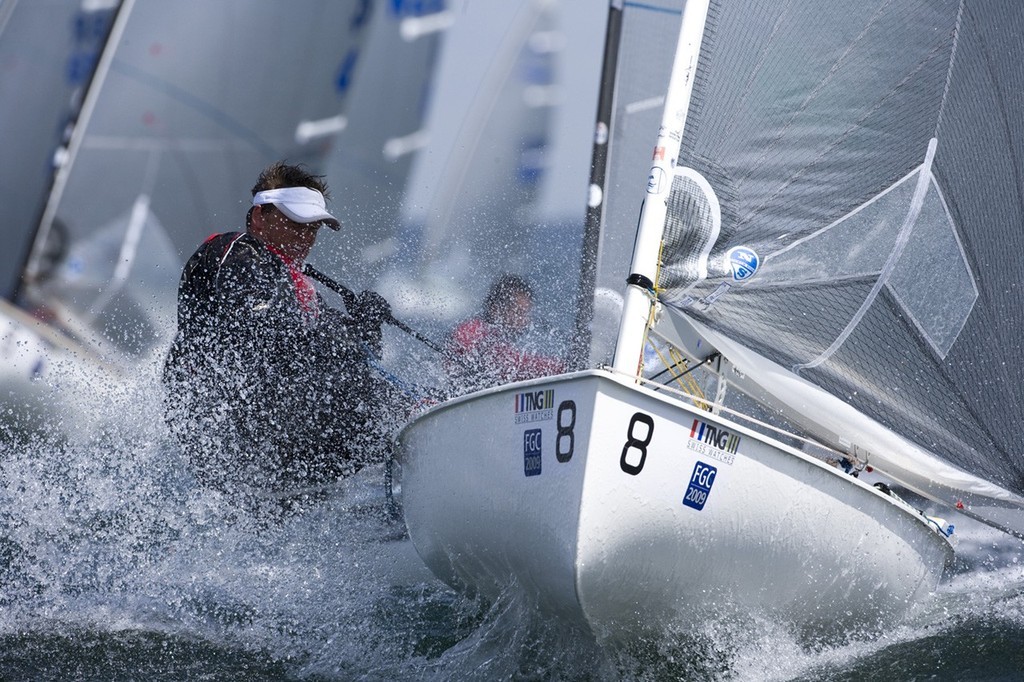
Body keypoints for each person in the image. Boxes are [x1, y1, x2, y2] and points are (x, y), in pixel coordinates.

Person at [162, 161, 400, 506]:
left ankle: (372, 504)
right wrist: (343, 346)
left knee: (370, 391)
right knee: (380, 405)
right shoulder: (232, 254)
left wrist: (365, 326)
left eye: (313, 229)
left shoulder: (293, 284)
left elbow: (353, 353)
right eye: (295, 224)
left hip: (270, 434)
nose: (305, 237)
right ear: (260, 216)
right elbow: (269, 334)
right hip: (223, 429)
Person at [446, 273, 564, 393]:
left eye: (526, 313)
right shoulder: (472, 331)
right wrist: (564, 367)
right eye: (519, 312)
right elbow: (511, 364)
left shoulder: (489, 333)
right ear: (496, 309)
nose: (524, 320)